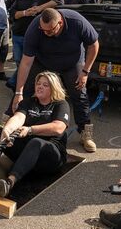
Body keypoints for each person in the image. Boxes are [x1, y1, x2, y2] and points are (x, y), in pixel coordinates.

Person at [0, 71, 70, 197]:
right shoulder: (29, 102)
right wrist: (7, 129)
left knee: (36, 142)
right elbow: (18, 118)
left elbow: (58, 127)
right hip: (28, 152)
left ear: (53, 88)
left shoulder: (61, 104)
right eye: (38, 83)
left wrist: (30, 129)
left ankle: (9, 182)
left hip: (51, 157)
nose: (40, 86)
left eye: (45, 85)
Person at [11, 8, 99, 152]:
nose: (46, 33)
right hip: (44, 60)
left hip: (72, 61)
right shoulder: (35, 29)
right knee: (26, 89)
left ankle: (85, 132)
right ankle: (9, 122)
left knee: (79, 92)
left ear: (60, 23)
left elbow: (94, 45)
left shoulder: (76, 21)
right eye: (43, 30)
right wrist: (18, 92)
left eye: (50, 30)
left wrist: (85, 71)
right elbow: (26, 63)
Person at [7, 0, 62, 90]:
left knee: (32, 63)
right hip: (18, 35)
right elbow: (12, 14)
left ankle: (21, 84)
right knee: (18, 61)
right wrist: (25, 13)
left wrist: (39, 8)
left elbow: (59, 0)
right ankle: (18, 83)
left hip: (35, 36)